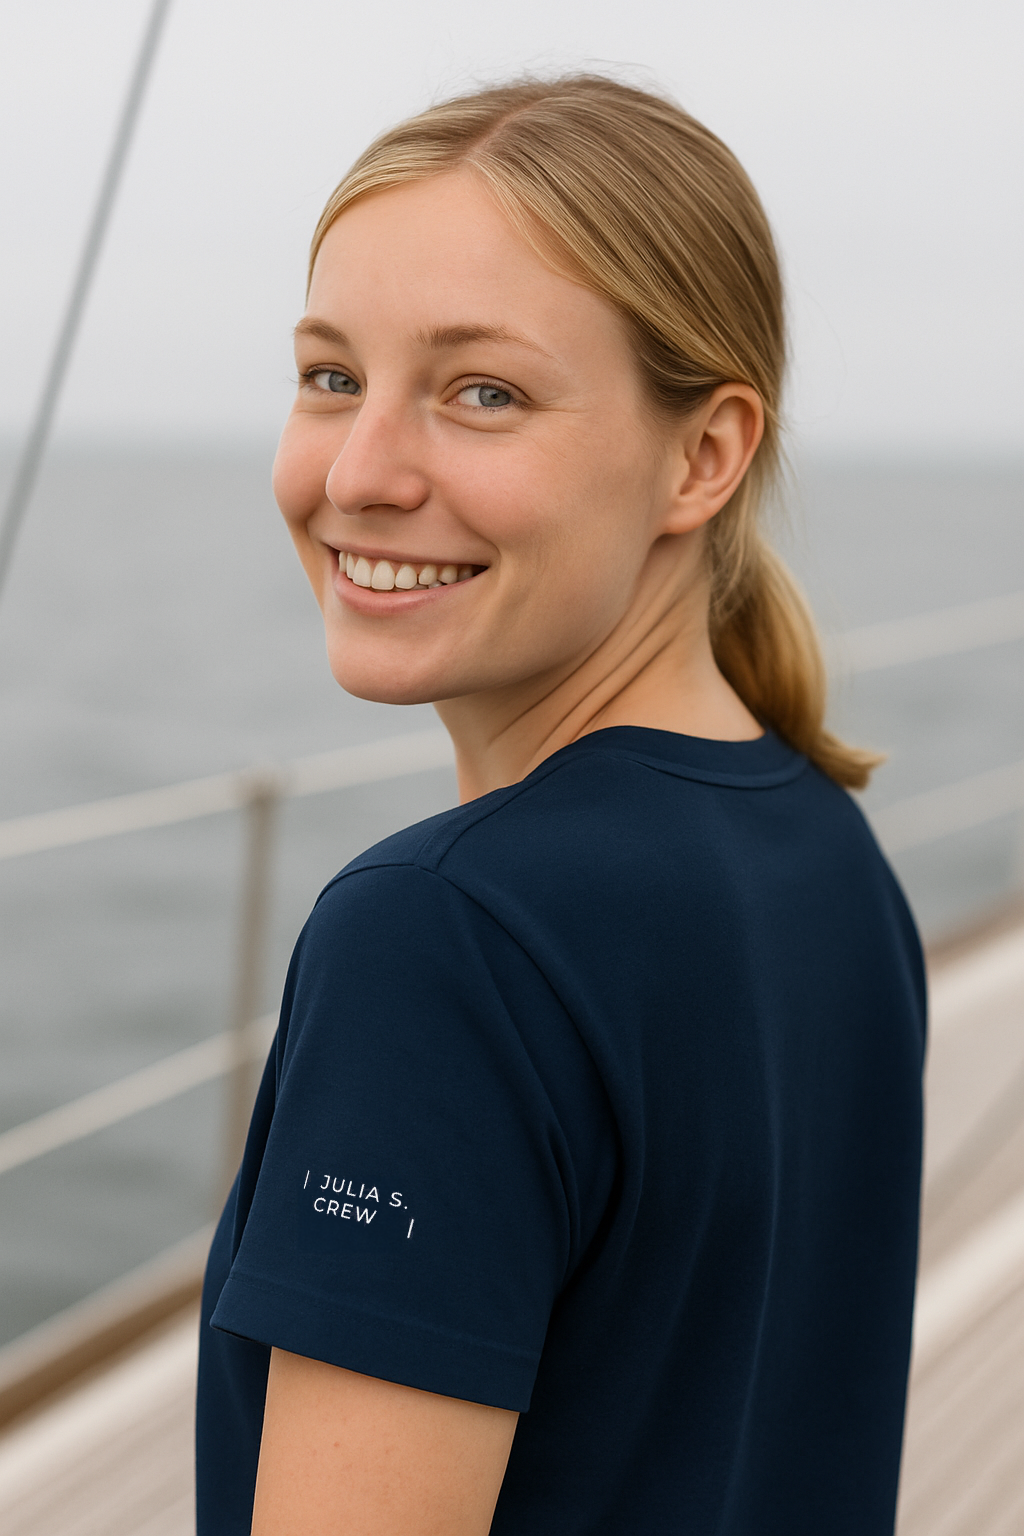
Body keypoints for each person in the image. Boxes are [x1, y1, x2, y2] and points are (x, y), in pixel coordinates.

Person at [196, 74, 925, 1535]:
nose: (359, 471)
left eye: (484, 393)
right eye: (333, 376)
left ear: (701, 456)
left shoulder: (444, 938)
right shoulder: (824, 845)